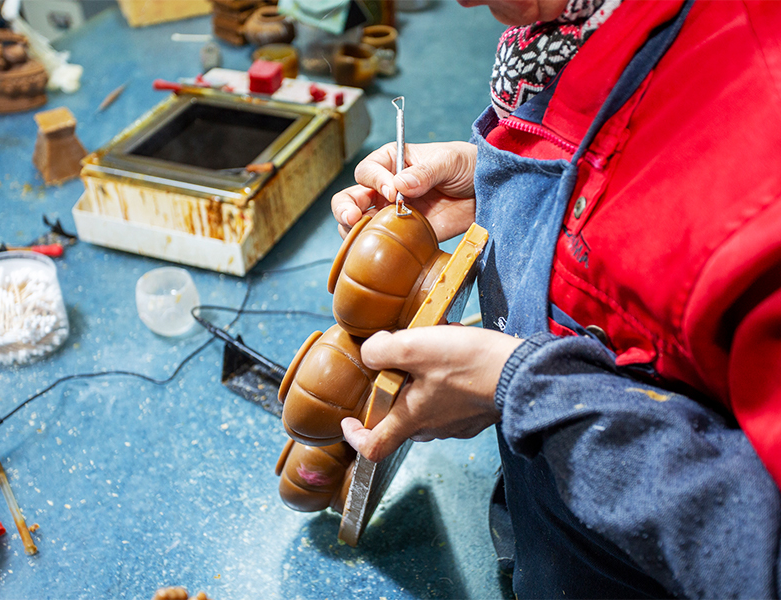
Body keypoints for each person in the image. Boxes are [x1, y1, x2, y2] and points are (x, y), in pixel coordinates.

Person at [331, 0, 781, 597]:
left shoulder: (764, 149)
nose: (464, 2)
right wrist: (500, 181)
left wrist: (524, 389)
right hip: (552, 537)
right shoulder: (560, 38)